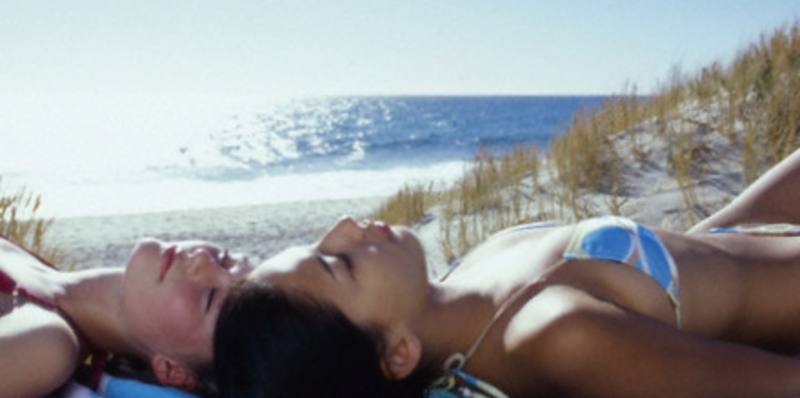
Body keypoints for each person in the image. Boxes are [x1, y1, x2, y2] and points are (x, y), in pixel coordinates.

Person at [213, 147, 800, 398]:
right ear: (397, 352)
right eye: (337, 263)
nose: (343, 226)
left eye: (316, 242)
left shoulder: (463, 279)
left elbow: (699, 261)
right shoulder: (553, 334)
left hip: (759, 232)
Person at [0, 234, 253, 398]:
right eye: (225, 259)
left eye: (209, 298)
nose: (202, 258)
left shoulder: (45, 347)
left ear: (171, 369)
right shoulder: (40, 276)